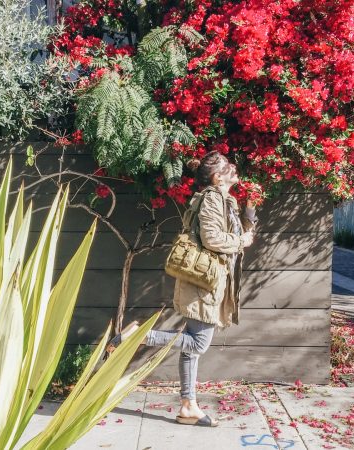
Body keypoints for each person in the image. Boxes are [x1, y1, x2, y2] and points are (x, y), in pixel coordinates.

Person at [105, 151, 258, 427]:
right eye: (227, 165)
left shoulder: (225, 200)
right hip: (204, 282)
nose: (234, 166)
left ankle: (188, 406)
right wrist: (241, 242)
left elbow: (236, 235)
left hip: (210, 281)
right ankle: (137, 337)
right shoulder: (213, 198)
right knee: (198, 343)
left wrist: (249, 213)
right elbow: (212, 238)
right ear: (217, 176)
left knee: (191, 347)